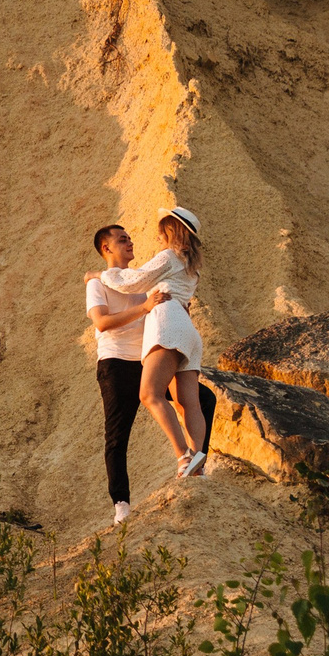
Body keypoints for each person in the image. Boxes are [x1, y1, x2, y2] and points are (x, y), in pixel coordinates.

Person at [86, 207, 211, 516]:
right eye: (122, 239)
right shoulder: (186, 263)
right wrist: (103, 280)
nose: (135, 241)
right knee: (188, 401)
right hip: (126, 356)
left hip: (164, 332)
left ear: (171, 232)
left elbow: (135, 281)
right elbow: (102, 321)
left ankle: (185, 456)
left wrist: (99, 273)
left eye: (160, 230)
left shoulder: (165, 259)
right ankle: (193, 463)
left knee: (150, 395)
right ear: (106, 247)